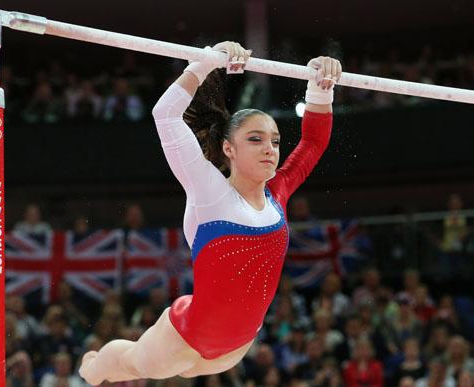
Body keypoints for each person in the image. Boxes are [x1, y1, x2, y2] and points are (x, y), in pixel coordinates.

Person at [79, 41, 341, 384]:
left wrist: (320, 88)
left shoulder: (278, 192)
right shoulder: (209, 190)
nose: (270, 149)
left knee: (187, 371)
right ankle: (91, 366)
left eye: (275, 141)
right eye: (256, 139)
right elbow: (166, 115)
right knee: (124, 366)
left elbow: (312, 144)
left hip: (233, 350)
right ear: (228, 148)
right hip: (182, 340)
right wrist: (204, 62)